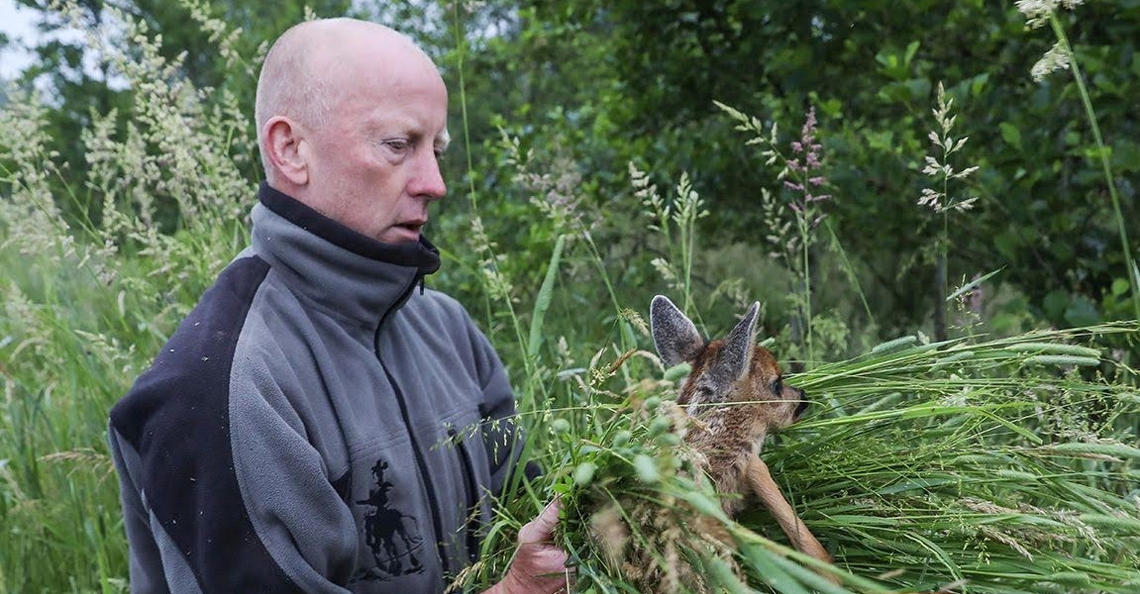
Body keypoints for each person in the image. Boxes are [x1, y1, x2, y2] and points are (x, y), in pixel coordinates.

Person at [107, 17, 569, 594]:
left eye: (437, 149)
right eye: (399, 145)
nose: (435, 182)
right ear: (291, 149)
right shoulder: (221, 386)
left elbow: (527, 513)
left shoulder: (446, 327)